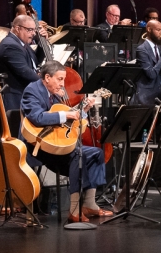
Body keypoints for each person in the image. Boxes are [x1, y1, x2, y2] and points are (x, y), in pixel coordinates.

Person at [21, 61, 111, 223]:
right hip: (39, 145)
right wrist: (66, 115)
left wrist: (82, 111)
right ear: (47, 78)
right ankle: (74, 209)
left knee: (97, 153)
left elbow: (66, 124)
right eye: (60, 79)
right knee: (78, 154)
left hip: (57, 142)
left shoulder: (56, 94)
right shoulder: (32, 91)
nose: (63, 84)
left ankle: (89, 203)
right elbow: (37, 117)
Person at [0, 15, 45, 111]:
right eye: (30, 30)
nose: (33, 34)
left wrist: (42, 42)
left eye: (34, 30)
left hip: (20, 95)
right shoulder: (10, 45)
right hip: (12, 99)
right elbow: (25, 72)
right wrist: (47, 83)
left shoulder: (21, 43)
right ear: (17, 28)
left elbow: (35, 62)